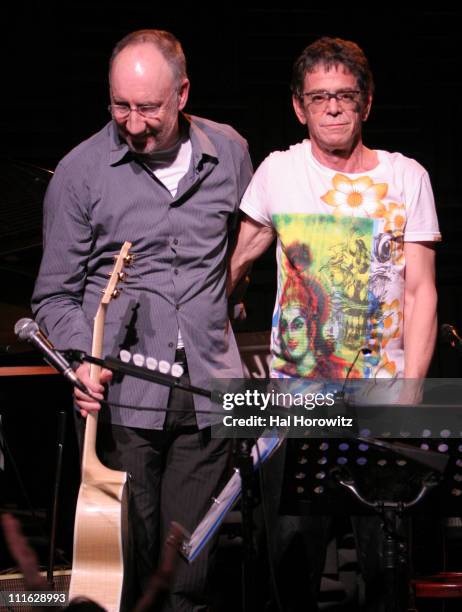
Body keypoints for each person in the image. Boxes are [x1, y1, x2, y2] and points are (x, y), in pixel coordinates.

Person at [32, 29, 252, 611]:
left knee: (189, 578)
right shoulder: (80, 172)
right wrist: (84, 358)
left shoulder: (229, 151)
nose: (132, 123)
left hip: (208, 390)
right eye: (119, 105)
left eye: (148, 108)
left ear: (182, 93)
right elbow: (53, 295)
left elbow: (249, 250)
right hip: (124, 396)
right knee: (131, 576)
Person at [229, 37, 440, 610]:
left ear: (366, 103)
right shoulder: (278, 172)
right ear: (299, 106)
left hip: (381, 398)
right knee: (291, 564)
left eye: (346, 96)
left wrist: (413, 392)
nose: (333, 108)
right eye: (319, 97)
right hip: (296, 402)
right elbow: (239, 263)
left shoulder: (406, 177)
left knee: (384, 570)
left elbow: (421, 290)